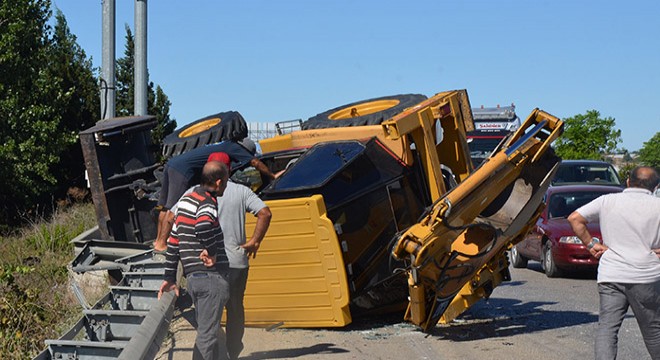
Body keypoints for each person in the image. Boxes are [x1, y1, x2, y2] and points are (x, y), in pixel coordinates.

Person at [174, 152, 272, 360]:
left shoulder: (193, 192)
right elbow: (265, 212)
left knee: (208, 317)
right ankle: (233, 352)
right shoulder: (241, 191)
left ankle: (217, 354)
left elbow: (172, 218)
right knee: (235, 309)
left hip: (204, 265)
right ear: (227, 171)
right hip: (235, 262)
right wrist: (254, 242)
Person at [568, 166, 660, 360]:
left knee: (607, 329)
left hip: (611, 274)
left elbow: (575, 218)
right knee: (653, 330)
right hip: (646, 276)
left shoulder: (607, 201)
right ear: (656, 186)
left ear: (628, 181)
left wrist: (592, 244)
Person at [158, 161, 231, 360]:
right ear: (218, 182)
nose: (225, 186)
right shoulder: (207, 201)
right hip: (211, 278)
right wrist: (213, 252)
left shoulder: (184, 202)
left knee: (213, 333)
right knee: (207, 336)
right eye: (225, 182)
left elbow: (173, 242)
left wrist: (169, 277)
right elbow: (203, 226)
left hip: (195, 280)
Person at [153, 138, 276, 252]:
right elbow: (255, 162)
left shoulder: (224, 145)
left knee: (165, 206)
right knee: (171, 207)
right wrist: (272, 176)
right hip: (183, 171)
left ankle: (159, 241)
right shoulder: (235, 148)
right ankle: (162, 243)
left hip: (172, 164)